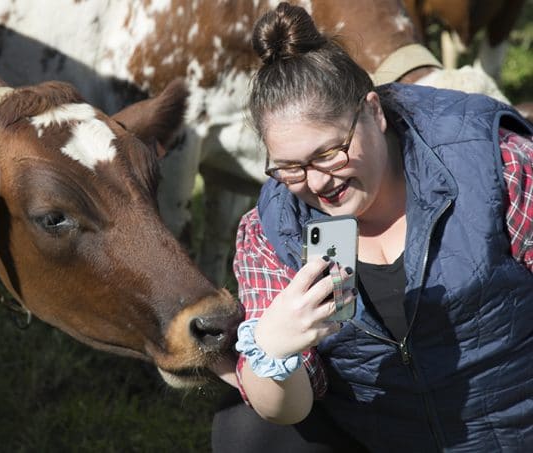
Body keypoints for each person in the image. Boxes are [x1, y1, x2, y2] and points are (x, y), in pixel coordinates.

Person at [211, 3, 533, 452]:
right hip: (382, 435)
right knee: (246, 431)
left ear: (374, 112)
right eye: (289, 167)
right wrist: (274, 354)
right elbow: (286, 411)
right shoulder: (276, 230)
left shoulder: (491, 164)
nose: (319, 181)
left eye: (329, 153)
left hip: (512, 428)